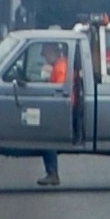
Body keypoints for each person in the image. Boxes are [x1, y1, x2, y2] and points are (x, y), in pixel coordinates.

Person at [39, 41, 69, 188]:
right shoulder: (58, 66)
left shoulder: (61, 67)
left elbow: (60, 91)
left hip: (61, 111)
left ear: (52, 52)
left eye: (45, 54)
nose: (45, 58)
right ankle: (51, 173)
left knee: (47, 138)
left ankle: (52, 173)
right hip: (60, 109)